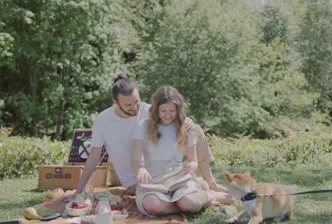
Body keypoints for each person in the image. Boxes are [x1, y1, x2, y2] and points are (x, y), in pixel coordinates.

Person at [71, 74, 227, 199]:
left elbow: (173, 114)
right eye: (128, 105)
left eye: (136, 101)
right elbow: (93, 158)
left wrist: (188, 121)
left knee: (196, 130)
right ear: (115, 102)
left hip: (163, 173)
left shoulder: (149, 110)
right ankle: (203, 191)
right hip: (137, 180)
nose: (135, 108)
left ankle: (210, 182)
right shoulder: (103, 120)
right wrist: (78, 190)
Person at [132, 86, 231, 216]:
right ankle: (181, 203)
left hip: (178, 179)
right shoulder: (143, 125)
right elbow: (134, 158)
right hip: (153, 181)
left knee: (189, 203)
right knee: (152, 206)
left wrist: (191, 166)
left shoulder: (186, 127)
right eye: (163, 111)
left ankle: (210, 195)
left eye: (172, 111)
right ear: (156, 109)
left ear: (178, 109)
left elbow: (193, 161)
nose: (168, 115)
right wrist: (141, 168)